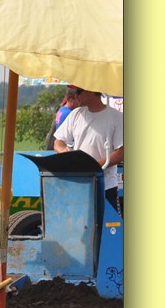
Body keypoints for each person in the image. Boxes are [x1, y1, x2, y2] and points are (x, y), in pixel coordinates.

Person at [53, 86, 124, 215]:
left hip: (106, 187)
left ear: (91, 90)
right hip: (80, 185)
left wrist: (92, 167)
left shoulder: (117, 117)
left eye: (78, 92)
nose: (76, 96)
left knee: (107, 226)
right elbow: (58, 141)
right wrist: (63, 150)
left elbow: (120, 153)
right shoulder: (75, 114)